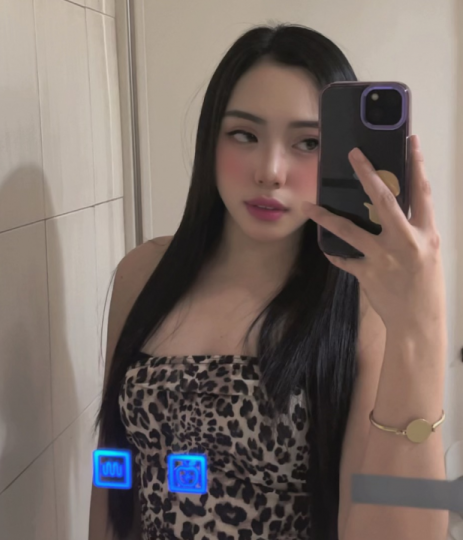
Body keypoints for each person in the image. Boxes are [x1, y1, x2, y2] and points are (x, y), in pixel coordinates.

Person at [88, 23, 448, 540]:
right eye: (245, 135)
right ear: (210, 140)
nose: (271, 171)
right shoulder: (142, 273)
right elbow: (113, 470)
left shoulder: (363, 304)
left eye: (308, 142)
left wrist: (420, 325)